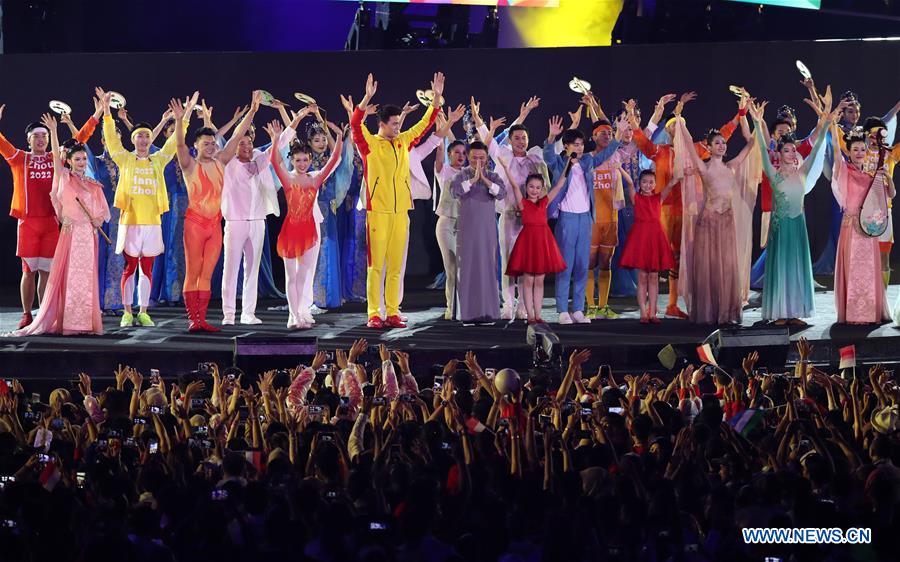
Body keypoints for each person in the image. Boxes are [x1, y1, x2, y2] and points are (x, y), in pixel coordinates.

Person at [630, 92, 743, 319]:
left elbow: (723, 135)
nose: (678, 127)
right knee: (654, 259)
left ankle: (673, 304)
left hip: (689, 211)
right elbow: (640, 140)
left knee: (679, 258)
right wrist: (633, 116)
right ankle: (649, 309)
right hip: (663, 212)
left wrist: (740, 114)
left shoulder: (697, 149)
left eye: (681, 124)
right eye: (674, 125)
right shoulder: (660, 151)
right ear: (669, 131)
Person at [350, 72, 444, 329]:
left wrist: (436, 97)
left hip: (401, 212)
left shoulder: (403, 141)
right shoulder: (369, 144)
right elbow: (355, 125)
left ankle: (392, 311)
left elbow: (425, 124)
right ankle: (374, 313)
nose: (397, 127)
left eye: (398, 124)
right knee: (375, 267)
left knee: (395, 266)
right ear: (382, 124)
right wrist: (366, 98)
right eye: (393, 124)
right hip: (378, 213)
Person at [0, 97, 101, 329]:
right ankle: (27, 314)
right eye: (36, 135)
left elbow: (79, 140)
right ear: (28, 139)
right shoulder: (19, 158)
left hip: (51, 222)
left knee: (46, 272)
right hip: (27, 222)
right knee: (28, 271)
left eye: (44, 135)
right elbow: (2, 143)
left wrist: (96, 115)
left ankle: (43, 314)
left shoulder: (55, 159)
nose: (41, 139)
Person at [104, 91, 197, 328]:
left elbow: (173, 143)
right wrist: (106, 111)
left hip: (153, 222)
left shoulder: (158, 160)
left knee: (147, 269)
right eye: (140, 136)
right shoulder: (124, 159)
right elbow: (112, 140)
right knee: (129, 268)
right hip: (130, 222)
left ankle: (143, 311)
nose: (144, 140)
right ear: (133, 140)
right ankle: (127, 312)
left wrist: (183, 118)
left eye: (147, 136)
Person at [168, 92, 259, 332]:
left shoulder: (221, 161)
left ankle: (202, 319)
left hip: (214, 226)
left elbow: (237, 135)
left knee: (207, 274)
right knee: (193, 271)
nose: (210, 147)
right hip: (195, 225)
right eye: (205, 143)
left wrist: (252, 111)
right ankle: (193, 319)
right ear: (196, 146)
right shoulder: (189, 165)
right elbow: (179, 144)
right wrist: (180, 120)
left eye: (212, 143)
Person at [749, 97, 832, 326]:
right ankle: (780, 313)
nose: (792, 153)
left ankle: (794, 312)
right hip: (781, 227)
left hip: (798, 227)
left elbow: (816, 147)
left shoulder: (802, 172)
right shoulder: (773, 174)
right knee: (781, 269)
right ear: (780, 152)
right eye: (787, 150)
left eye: (793, 150)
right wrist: (756, 122)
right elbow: (763, 151)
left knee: (796, 268)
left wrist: (825, 122)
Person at [220, 108, 306, 326]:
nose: (246, 147)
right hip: (235, 222)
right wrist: (252, 109)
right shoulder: (228, 163)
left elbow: (282, 142)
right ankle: (228, 314)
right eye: (241, 143)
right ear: (234, 145)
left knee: (252, 270)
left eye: (249, 143)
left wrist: (296, 118)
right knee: (230, 270)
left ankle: (248, 313)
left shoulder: (259, 157)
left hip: (258, 222)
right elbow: (224, 139)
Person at [672, 107, 756, 325]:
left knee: (726, 268)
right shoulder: (703, 167)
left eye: (723, 142)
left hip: (726, 222)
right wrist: (679, 117)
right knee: (709, 269)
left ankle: (726, 312)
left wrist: (748, 116)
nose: (722, 145)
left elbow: (751, 144)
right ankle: (709, 313)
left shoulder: (732, 167)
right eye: (717, 143)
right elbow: (688, 144)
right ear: (708, 148)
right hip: (708, 222)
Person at [472, 96, 547, 321]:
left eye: (524, 138)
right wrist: (477, 119)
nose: (520, 141)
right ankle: (508, 305)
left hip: (529, 221)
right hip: (508, 216)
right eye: (516, 138)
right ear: (511, 141)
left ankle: (523, 306)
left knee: (526, 264)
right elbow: (488, 143)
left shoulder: (535, 159)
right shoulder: (503, 155)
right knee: (507, 262)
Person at [543, 117, 620, 325]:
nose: (579, 147)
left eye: (581, 144)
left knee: (582, 266)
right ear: (566, 147)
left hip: (586, 219)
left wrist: (619, 133)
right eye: (575, 144)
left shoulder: (586, 161)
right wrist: (551, 136)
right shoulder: (559, 162)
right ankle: (562, 310)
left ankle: (578, 309)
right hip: (567, 219)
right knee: (565, 266)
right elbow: (547, 155)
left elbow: (605, 153)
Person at [268, 120, 343, 329]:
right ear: (292, 160)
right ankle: (293, 316)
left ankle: (301, 312)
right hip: (291, 232)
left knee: (303, 277)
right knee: (291, 277)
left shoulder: (314, 179)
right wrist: (276, 140)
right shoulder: (288, 179)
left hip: (309, 232)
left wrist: (338, 136)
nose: (301, 164)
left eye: (305, 160)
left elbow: (334, 159)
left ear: (310, 160)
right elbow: (274, 161)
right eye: (298, 160)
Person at [830, 122, 893, 325]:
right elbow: (836, 151)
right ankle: (854, 314)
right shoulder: (844, 171)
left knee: (868, 271)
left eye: (862, 149)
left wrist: (886, 177)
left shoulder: (869, 176)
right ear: (848, 151)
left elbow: (889, 195)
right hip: (850, 227)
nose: (859, 153)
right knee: (853, 270)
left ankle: (870, 312)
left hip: (867, 229)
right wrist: (832, 126)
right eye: (855, 149)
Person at [499, 161, 568, 325]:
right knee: (528, 280)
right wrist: (505, 167)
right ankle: (529, 315)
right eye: (531, 187)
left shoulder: (544, 202)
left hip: (543, 242)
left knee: (539, 281)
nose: (534, 190)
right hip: (528, 242)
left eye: (538, 187)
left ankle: (538, 315)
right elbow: (514, 186)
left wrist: (568, 165)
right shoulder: (523, 203)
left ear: (542, 189)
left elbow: (559, 185)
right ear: (527, 187)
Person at [450, 142, 506, 324]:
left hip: (487, 230)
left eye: (482, 158)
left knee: (488, 268)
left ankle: (488, 312)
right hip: (467, 229)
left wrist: (485, 180)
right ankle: (467, 313)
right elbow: (455, 192)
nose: (478, 161)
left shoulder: (493, 176)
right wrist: (473, 180)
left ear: (487, 158)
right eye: (474, 158)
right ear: (468, 157)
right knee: (467, 268)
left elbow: (502, 193)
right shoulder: (461, 175)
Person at [619, 169, 676, 323]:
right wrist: (619, 168)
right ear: (640, 183)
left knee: (654, 277)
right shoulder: (636, 197)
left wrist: (680, 171)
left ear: (655, 184)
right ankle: (643, 313)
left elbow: (671, 184)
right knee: (642, 277)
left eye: (651, 182)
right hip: (641, 238)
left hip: (655, 238)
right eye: (644, 182)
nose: (648, 185)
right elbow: (629, 182)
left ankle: (653, 312)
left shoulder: (659, 198)